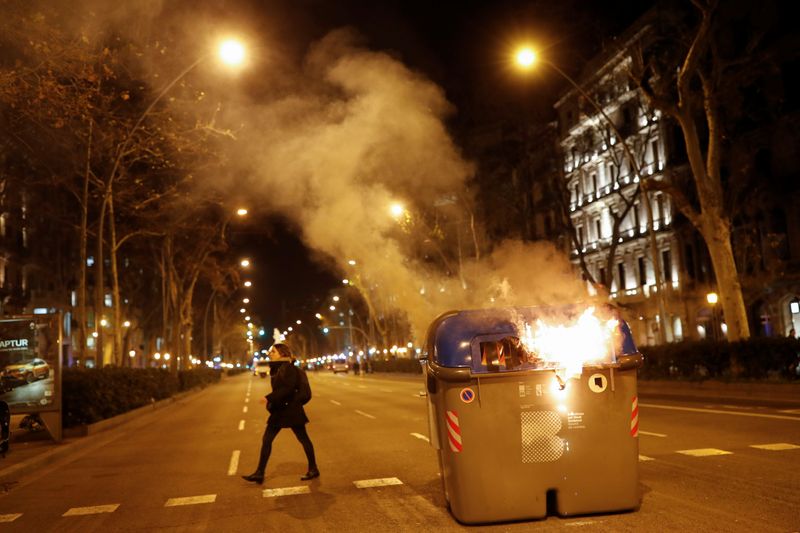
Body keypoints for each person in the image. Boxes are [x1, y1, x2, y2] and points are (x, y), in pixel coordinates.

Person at [242, 343, 319, 484]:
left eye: (273, 351)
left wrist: (268, 398)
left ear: (282, 354)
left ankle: (313, 469)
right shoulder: (278, 368)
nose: (270, 353)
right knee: (267, 440)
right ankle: (260, 473)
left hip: (291, 410)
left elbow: (288, 389)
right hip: (280, 410)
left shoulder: (288, 368)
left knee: (303, 438)